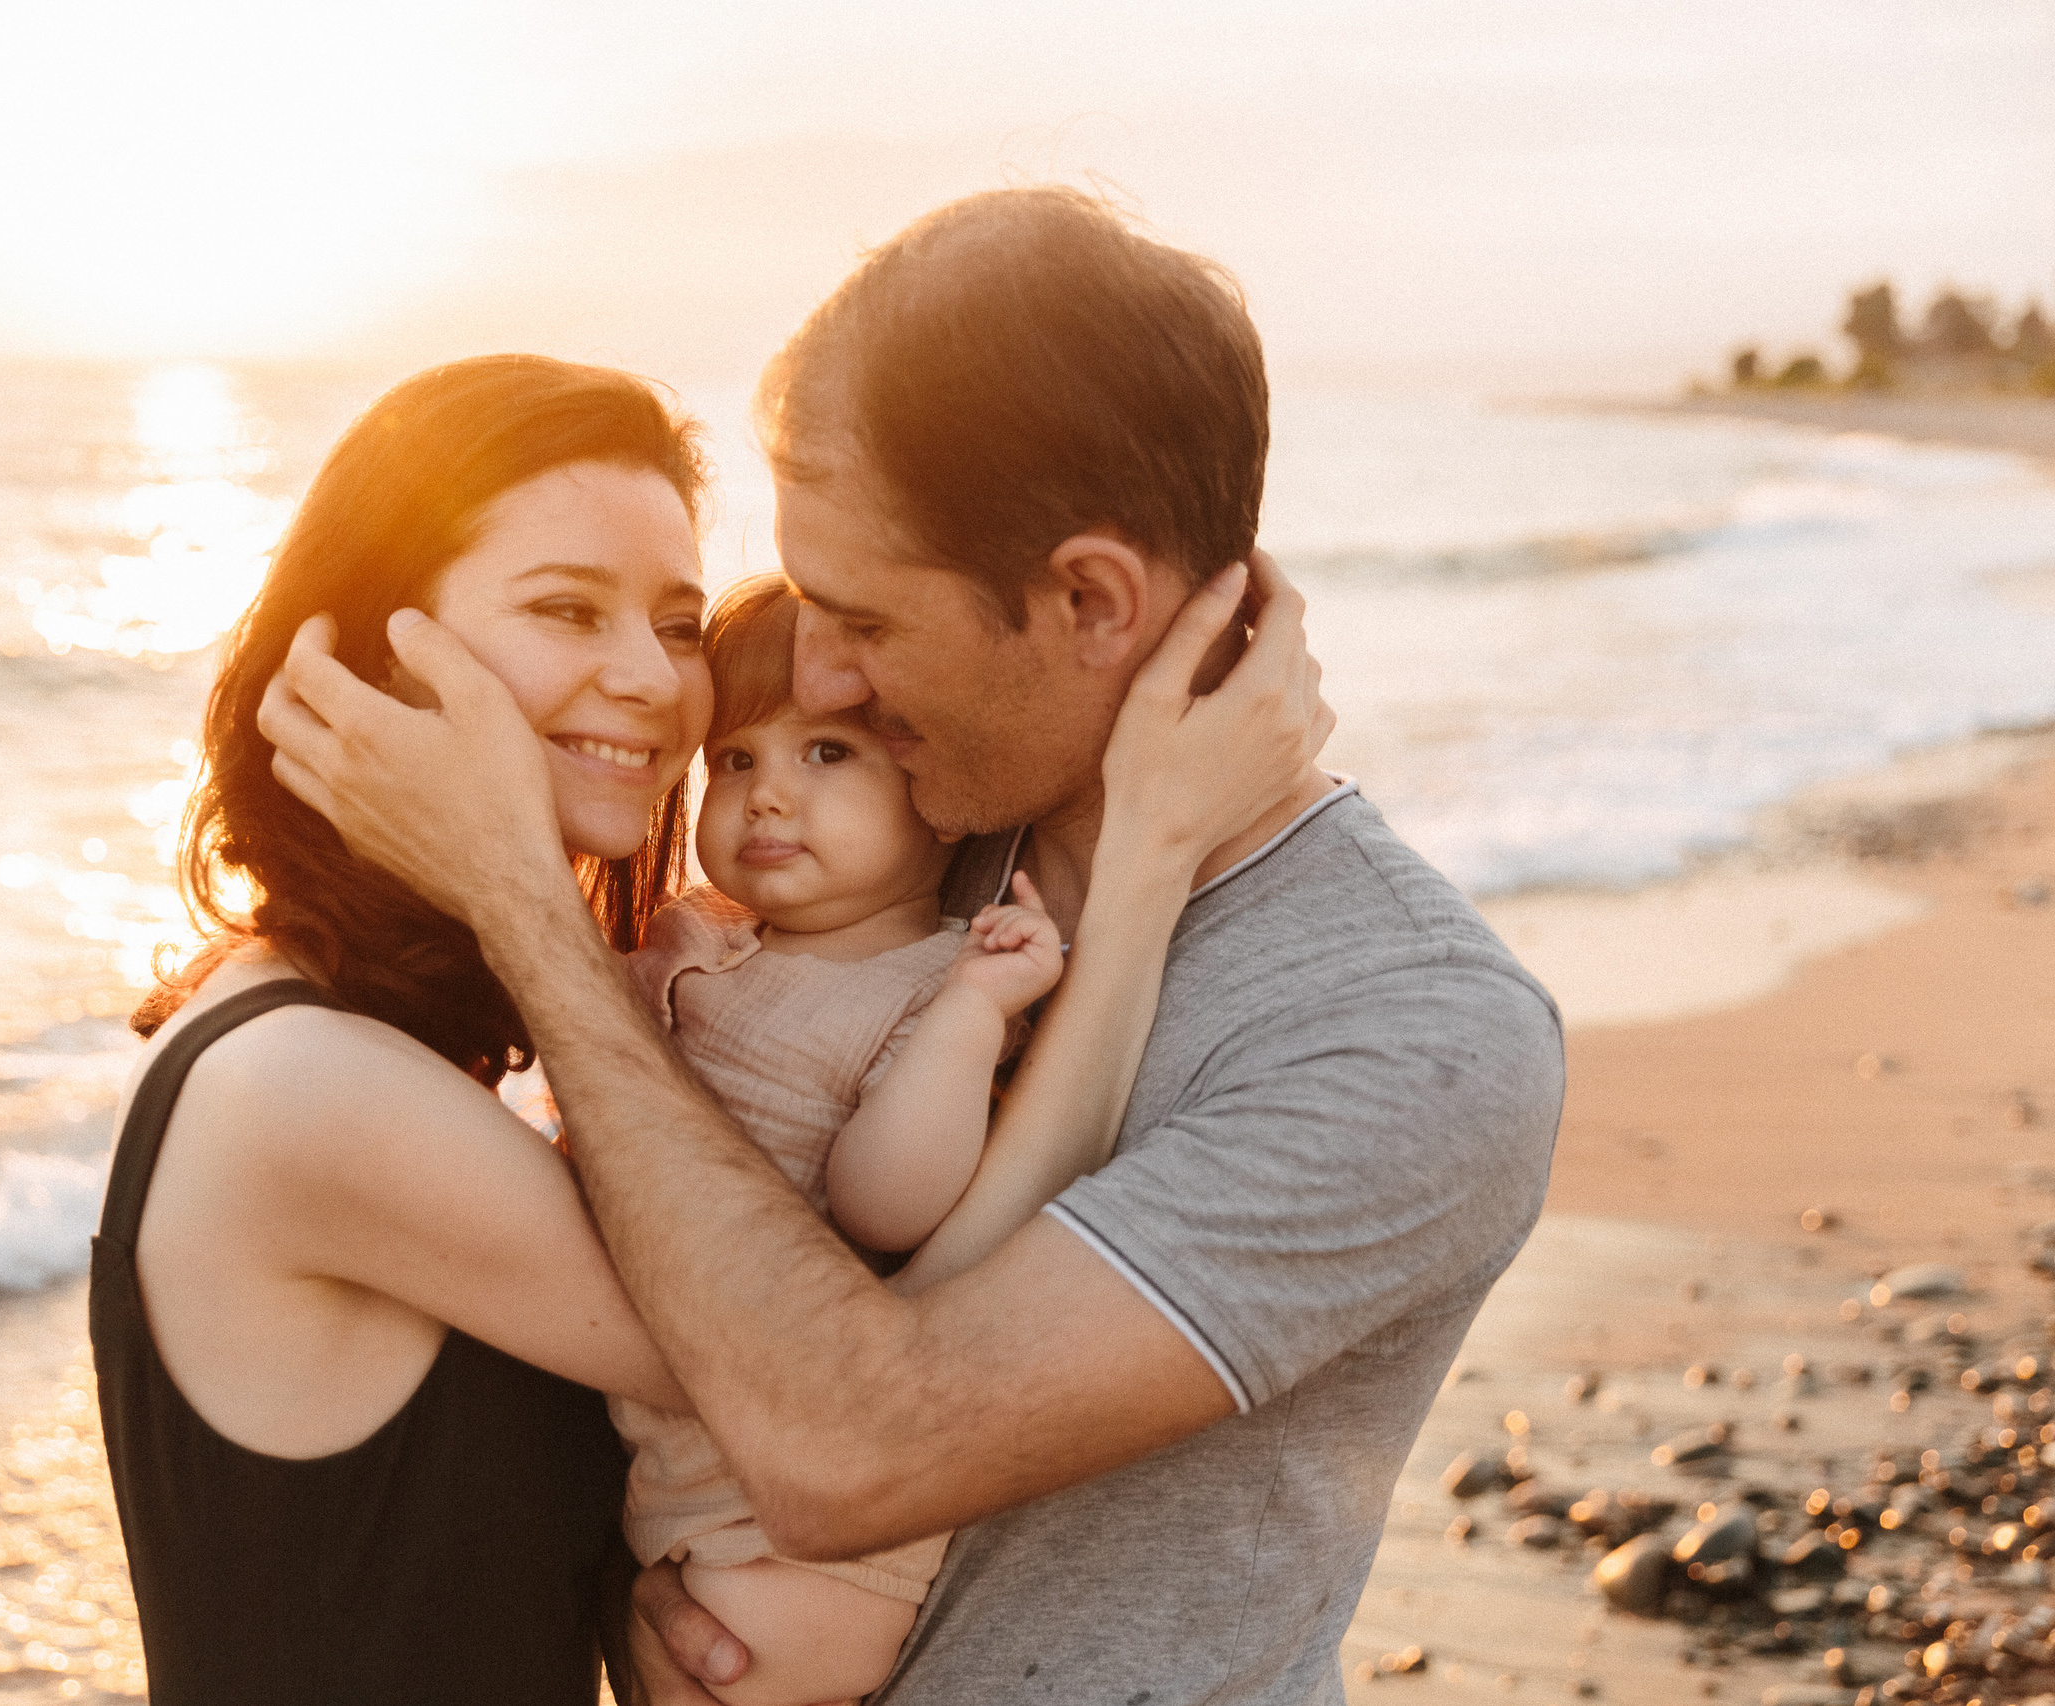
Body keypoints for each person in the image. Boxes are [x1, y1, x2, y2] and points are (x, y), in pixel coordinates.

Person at [259, 185, 1567, 1704]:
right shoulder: (921, 825)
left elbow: (846, 1446)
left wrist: (529, 915)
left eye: (866, 618)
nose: (814, 673)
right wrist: (642, 1592)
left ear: (1088, 598)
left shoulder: (1409, 1033)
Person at [89, 353, 710, 1704]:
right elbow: (799, 1371)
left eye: (681, 622)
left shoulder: (360, 1036)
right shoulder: (309, 1086)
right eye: (567, 608)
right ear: (372, 650)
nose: (653, 678)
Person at [609, 572, 1295, 1705]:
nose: (766, 796)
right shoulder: (694, 935)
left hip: (809, 1545)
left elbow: (888, 1201)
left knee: (729, 1654)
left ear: (930, 788)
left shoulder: (929, 984)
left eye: (826, 755)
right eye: (735, 761)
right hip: (680, 1466)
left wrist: (976, 1014)